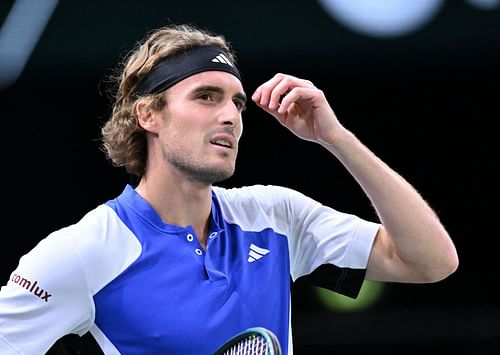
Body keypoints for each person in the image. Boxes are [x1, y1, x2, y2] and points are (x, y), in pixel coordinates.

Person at [0, 23, 458, 355]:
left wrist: (334, 138)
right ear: (148, 115)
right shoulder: (83, 252)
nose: (231, 116)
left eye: (237, 102)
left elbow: (430, 261)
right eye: (206, 97)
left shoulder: (277, 217)